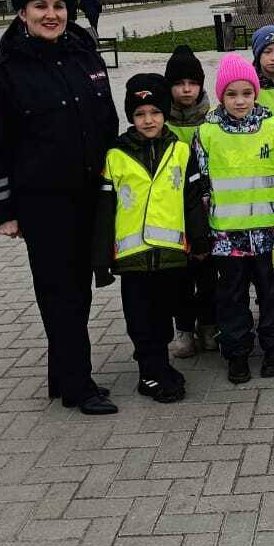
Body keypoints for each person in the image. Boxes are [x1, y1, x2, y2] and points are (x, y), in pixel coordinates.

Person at [0, 0, 119, 415]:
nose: (51, 14)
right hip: (44, 201)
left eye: (58, 6)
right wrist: (2, 211)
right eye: (40, 6)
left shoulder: (82, 50)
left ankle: (63, 374)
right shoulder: (1, 70)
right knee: (61, 293)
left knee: (80, 289)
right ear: (21, 12)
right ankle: (77, 387)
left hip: (90, 192)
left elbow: (104, 117)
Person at [92, 74, 210, 405]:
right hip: (134, 258)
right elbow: (105, 209)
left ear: (165, 114)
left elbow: (192, 199)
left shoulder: (181, 150)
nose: (148, 120)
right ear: (131, 116)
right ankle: (150, 373)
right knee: (141, 318)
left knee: (165, 314)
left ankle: (158, 366)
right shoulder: (116, 154)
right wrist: (101, 258)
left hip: (172, 254)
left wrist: (200, 240)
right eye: (141, 114)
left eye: (155, 113)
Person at [190, 54, 274, 384]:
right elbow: (201, 181)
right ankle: (236, 352)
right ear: (221, 96)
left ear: (256, 93)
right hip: (226, 239)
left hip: (268, 234)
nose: (240, 101)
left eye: (246, 93)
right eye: (232, 94)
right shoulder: (207, 133)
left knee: (273, 294)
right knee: (231, 299)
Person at [163, 45, 217, 358]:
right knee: (179, 277)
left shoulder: (211, 121)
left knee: (209, 273)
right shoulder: (161, 122)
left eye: (193, 83)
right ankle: (183, 328)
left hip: (208, 211)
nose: (186, 89)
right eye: (180, 83)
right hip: (173, 215)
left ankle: (209, 324)